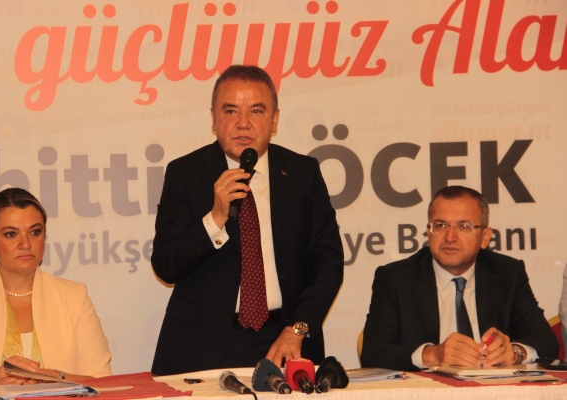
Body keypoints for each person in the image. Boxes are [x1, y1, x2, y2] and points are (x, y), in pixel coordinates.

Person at [150, 65, 344, 375]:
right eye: (230, 111)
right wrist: (215, 217)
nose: (243, 123)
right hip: (204, 344)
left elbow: (328, 262)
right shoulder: (185, 174)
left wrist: (297, 330)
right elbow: (166, 266)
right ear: (214, 119)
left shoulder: (302, 174)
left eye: (256, 111)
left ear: (274, 119)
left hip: (285, 339)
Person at [0, 188, 112, 387]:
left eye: (35, 232)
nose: (25, 244)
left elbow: (105, 384)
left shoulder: (74, 297)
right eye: (11, 234)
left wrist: (48, 376)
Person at [361, 186, 558, 371]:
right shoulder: (395, 278)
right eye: (441, 225)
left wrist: (515, 352)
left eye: (464, 226)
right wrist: (432, 355)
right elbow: (373, 353)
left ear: (485, 237)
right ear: (429, 233)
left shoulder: (507, 273)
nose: (450, 237)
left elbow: (546, 341)